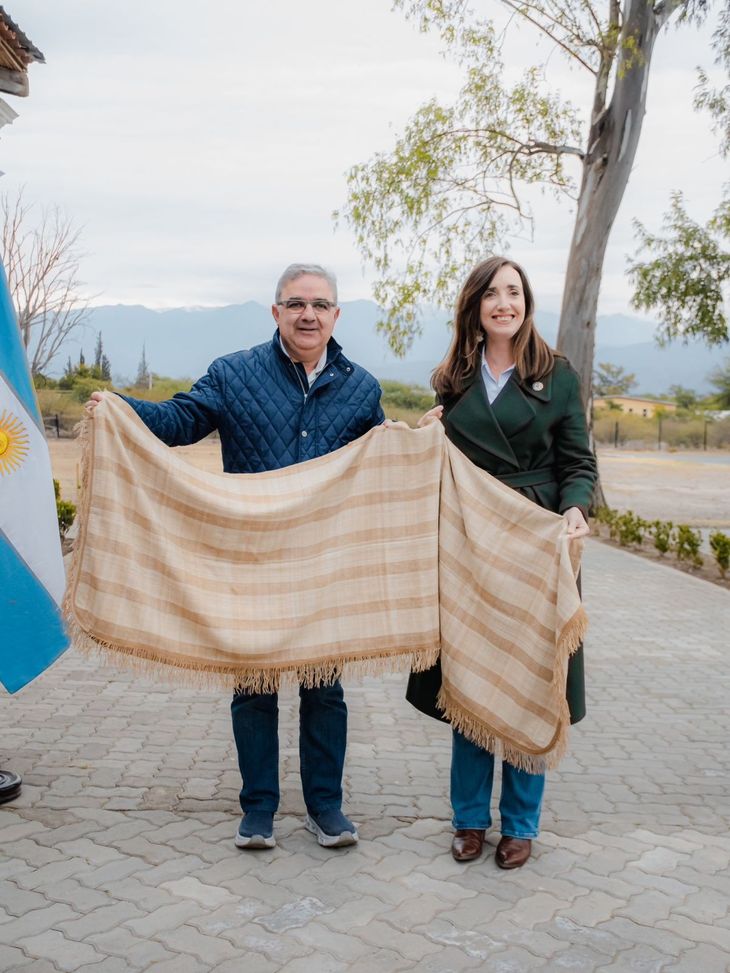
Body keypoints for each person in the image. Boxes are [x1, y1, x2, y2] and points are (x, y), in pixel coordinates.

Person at [88, 263, 384, 850]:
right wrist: (121, 407)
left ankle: (327, 809)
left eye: (320, 305)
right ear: (275, 312)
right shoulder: (234, 373)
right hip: (251, 559)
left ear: (336, 316)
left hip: (322, 563)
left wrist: (415, 441)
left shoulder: (362, 387)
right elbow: (179, 421)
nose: (308, 315)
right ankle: (258, 811)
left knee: (324, 688)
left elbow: (379, 460)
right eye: (295, 304)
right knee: (254, 685)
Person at [406, 255, 597, 869]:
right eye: (492, 294)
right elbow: (440, 457)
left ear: (526, 302)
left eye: (513, 292)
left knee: (531, 679)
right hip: (471, 543)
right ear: (475, 305)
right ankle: (468, 821)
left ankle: (520, 823)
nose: (503, 303)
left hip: (539, 540)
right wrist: (422, 437)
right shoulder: (453, 376)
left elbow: (578, 462)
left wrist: (573, 508)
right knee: (472, 677)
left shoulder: (557, 375)